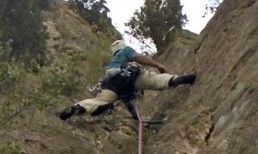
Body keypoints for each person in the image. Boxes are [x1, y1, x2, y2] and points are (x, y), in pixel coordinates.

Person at [58, 39, 196, 121]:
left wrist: (136, 117)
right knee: (155, 80)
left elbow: (126, 98)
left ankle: (79, 107)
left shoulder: (112, 64)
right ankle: (180, 79)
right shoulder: (124, 51)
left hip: (110, 84)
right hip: (130, 76)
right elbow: (137, 57)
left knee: (98, 102)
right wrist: (157, 65)